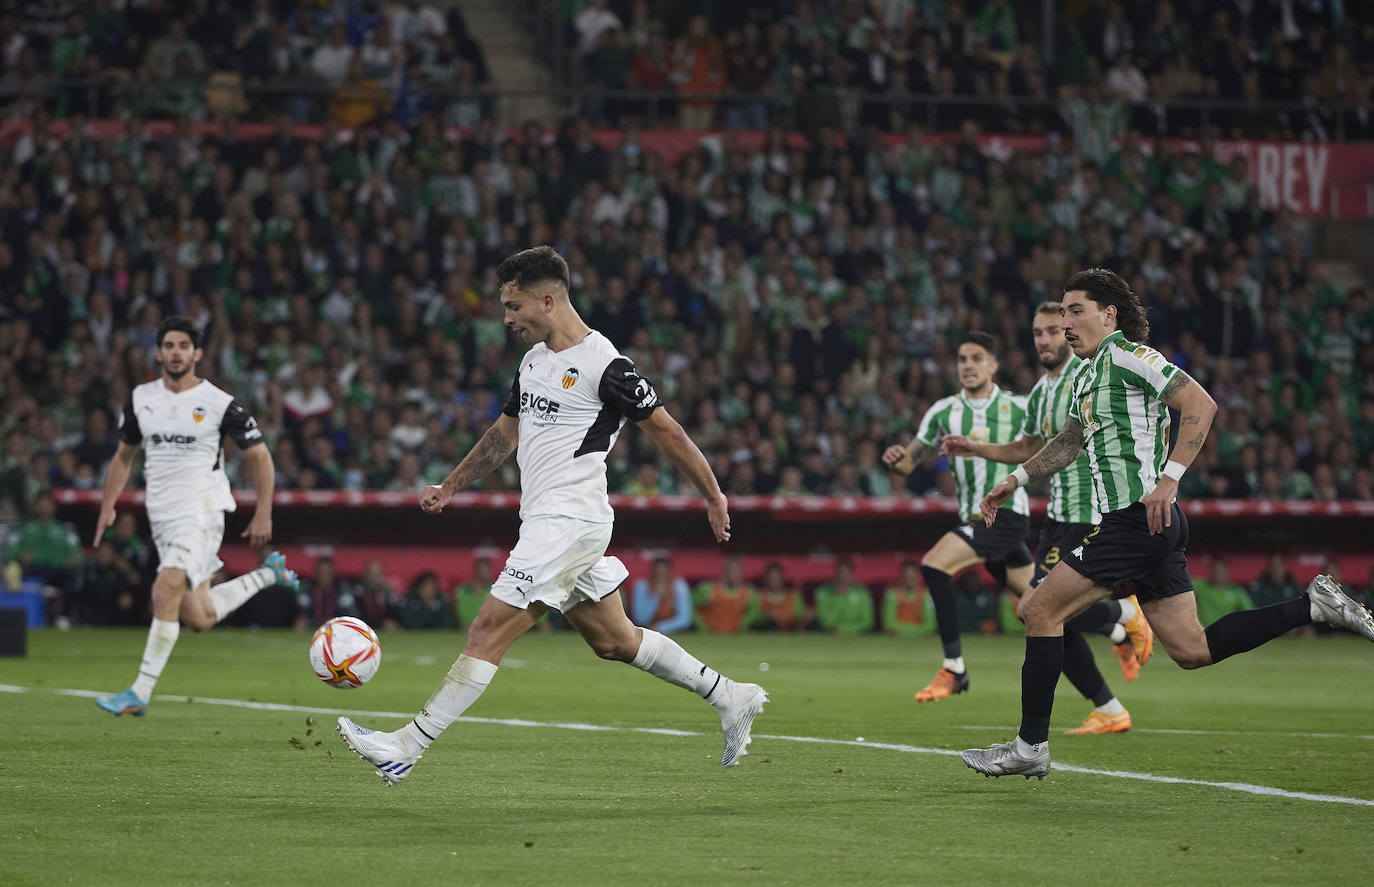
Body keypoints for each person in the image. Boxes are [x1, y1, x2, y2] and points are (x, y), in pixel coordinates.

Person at [337, 246, 767, 785]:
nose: (506, 318)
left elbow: (669, 432)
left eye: (513, 306)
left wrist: (713, 495)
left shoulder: (606, 366)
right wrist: (450, 485)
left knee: (486, 629)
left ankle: (406, 747)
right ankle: (731, 696)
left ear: (547, 298)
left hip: (570, 521)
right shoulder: (533, 361)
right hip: (548, 521)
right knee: (616, 641)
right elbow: (504, 433)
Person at [962, 269, 1374, 779]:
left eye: (1074, 310)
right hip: (1152, 526)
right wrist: (1016, 479)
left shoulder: (1133, 357)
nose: (1065, 322)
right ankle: (1311, 606)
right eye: (1062, 312)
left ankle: (1030, 747)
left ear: (1108, 314)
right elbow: (1069, 441)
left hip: (1136, 519)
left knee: (1038, 610)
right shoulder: (1088, 375)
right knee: (1192, 650)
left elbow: (1200, 403)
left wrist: (1170, 477)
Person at [943, 301, 1154, 735]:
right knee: (1042, 616)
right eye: (1038, 333)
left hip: (1090, 510)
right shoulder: (1041, 391)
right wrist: (978, 449)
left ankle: (1122, 615)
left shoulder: (1087, 375)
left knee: (1036, 609)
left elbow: (1074, 442)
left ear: (1070, 332)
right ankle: (1110, 707)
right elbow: (1027, 447)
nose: (1044, 340)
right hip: (1057, 516)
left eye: (1053, 332)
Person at [94, 316, 298, 717]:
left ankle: (139, 692)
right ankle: (269, 574)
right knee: (198, 616)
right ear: (158, 352)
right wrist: (108, 504)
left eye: (183, 346)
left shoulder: (221, 404)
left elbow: (261, 457)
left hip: (201, 512)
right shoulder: (140, 399)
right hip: (163, 519)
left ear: (197, 353)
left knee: (163, 591)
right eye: (169, 345)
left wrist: (263, 512)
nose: (175, 352)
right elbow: (123, 456)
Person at [882, 331, 1034, 701]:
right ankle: (1119, 621)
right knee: (1039, 605)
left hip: (1005, 514)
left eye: (977, 358)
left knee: (934, 565)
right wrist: (895, 461)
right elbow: (909, 464)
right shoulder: (943, 411)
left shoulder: (1021, 407)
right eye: (963, 359)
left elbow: (1043, 448)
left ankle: (955, 668)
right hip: (976, 519)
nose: (968, 365)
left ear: (993, 366)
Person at [5, 491, 83, 624]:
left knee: (74, 574)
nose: (44, 507)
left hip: (58, 571)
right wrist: (19, 556)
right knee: (13, 570)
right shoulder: (23, 529)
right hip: (31, 570)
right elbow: (9, 554)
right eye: (41, 504)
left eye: (47, 504)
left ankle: (64, 616)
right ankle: (22, 616)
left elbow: (77, 556)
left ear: (54, 507)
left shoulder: (65, 529)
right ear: (35, 507)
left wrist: (69, 559)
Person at [693, 553, 760, 634]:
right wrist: (703, 628)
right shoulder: (708, 590)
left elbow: (755, 611)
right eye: (731, 570)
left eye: (736, 570)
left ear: (741, 572)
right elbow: (690, 606)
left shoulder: (749, 592)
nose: (733, 574)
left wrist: (742, 626)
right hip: (711, 635)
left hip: (736, 637)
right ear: (725, 571)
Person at [629, 556, 693, 634]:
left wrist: (660, 627)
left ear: (669, 571)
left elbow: (685, 620)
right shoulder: (641, 586)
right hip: (646, 632)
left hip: (675, 632)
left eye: (663, 570)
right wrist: (655, 596)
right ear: (652, 571)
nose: (660, 574)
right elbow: (640, 619)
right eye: (657, 571)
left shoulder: (679, 586)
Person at [814, 559, 875, 633]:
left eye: (846, 573)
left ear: (852, 574)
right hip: (828, 635)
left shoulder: (863, 593)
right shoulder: (823, 591)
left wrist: (844, 628)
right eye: (840, 573)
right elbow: (823, 618)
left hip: (857, 636)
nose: (843, 577)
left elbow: (867, 621)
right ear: (835, 574)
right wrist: (832, 627)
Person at [882, 562, 936, 636]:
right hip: (896, 639)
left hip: (920, 640)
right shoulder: (892, 594)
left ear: (918, 577)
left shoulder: (926, 595)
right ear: (901, 576)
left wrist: (902, 630)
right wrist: (919, 630)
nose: (909, 580)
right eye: (906, 577)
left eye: (912, 577)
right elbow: (889, 624)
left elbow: (930, 625)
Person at [755, 562, 805, 631]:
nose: (774, 582)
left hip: (789, 634)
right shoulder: (759, 596)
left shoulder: (793, 596)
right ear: (766, 579)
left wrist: (780, 617)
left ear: (783, 578)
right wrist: (765, 617)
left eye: (776, 578)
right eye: (772, 579)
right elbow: (753, 619)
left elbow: (799, 617)